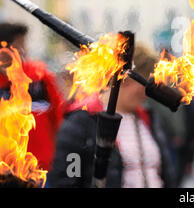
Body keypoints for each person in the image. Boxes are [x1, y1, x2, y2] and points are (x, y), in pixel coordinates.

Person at [48, 43, 175, 188]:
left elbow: (166, 172)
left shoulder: (148, 118)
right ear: (125, 79)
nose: (148, 92)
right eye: (146, 83)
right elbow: (67, 178)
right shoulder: (82, 121)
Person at [0, 22, 65, 172]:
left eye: (24, 44)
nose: (24, 50)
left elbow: (59, 118)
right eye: (18, 45)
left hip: (40, 169)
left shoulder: (40, 77)